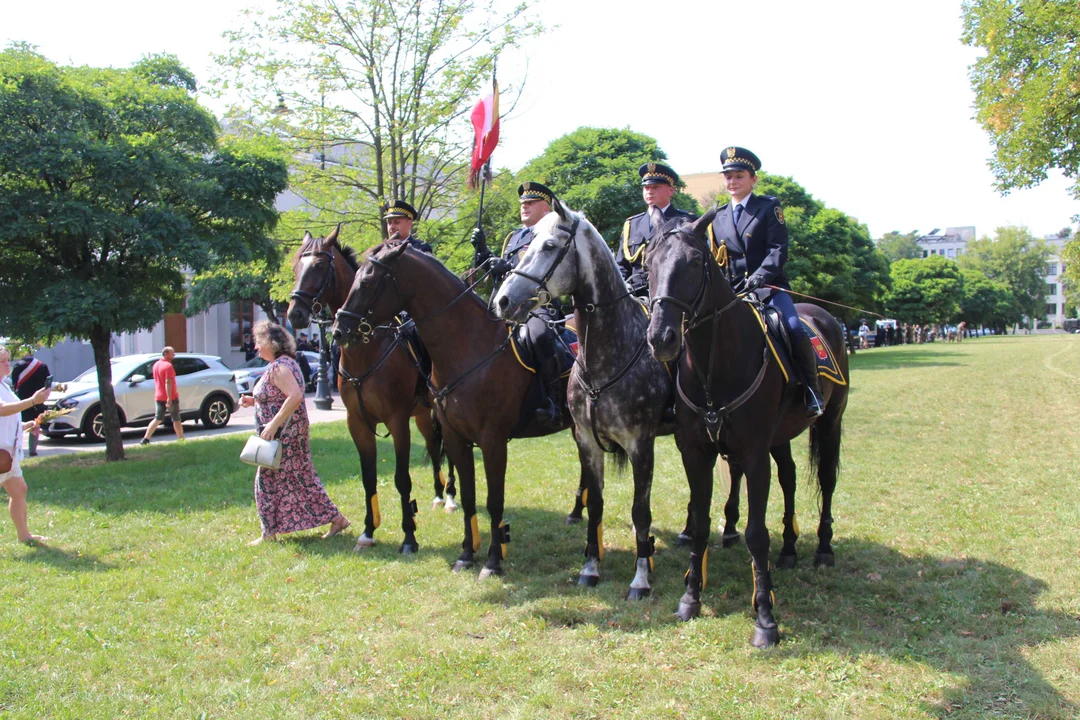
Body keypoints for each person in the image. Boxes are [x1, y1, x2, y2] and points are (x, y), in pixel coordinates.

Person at [708, 146, 824, 417]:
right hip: (733, 293)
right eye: (728, 177)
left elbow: (778, 249)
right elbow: (716, 260)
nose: (733, 182)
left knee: (794, 328)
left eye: (739, 176)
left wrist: (760, 276)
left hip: (768, 287)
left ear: (753, 180)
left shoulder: (768, 208)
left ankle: (811, 389)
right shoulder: (717, 217)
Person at [239, 321, 349, 544]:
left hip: (283, 436)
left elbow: (295, 396)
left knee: (267, 480)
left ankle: (269, 533)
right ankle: (337, 519)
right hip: (289, 434)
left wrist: (272, 425)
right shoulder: (285, 364)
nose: (256, 347)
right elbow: (280, 395)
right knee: (301, 479)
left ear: (271, 343)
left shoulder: (280, 367)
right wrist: (254, 401)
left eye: (259, 342)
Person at [471, 181, 565, 426]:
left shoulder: (550, 235)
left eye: (531, 203)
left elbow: (543, 272)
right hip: (505, 306)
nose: (524, 207)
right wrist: (483, 251)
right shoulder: (514, 237)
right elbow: (496, 274)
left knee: (539, 336)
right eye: (523, 203)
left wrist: (509, 268)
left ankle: (553, 400)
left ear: (547, 209)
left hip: (538, 306)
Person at [617, 162, 696, 296]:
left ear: (671, 190)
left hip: (671, 297)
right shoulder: (632, 224)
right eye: (646, 187)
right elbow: (622, 266)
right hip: (636, 298)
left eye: (655, 187)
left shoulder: (685, 221)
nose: (649, 191)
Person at [0, 346, 52, 543]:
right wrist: (32, 401)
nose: (8, 364)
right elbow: (2, 410)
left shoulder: (4, 385)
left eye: (7, 359)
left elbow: (8, 418)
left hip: (7, 454)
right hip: (1, 453)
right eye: (3, 361)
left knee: (19, 490)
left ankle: (24, 536)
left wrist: (25, 425)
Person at [140, 346, 184, 445]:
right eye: (172, 353)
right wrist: (169, 397)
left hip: (159, 396)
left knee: (157, 418)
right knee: (176, 419)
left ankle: (145, 439)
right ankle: (181, 440)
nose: (174, 355)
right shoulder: (168, 366)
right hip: (171, 397)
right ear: (166, 354)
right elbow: (168, 382)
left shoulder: (156, 365)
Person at [11, 351, 50, 457]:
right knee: (35, 424)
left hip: (21, 401)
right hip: (38, 401)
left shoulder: (18, 366)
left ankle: (18, 449)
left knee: (19, 425)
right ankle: (33, 450)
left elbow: (15, 383)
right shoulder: (42, 366)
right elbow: (47, 384)